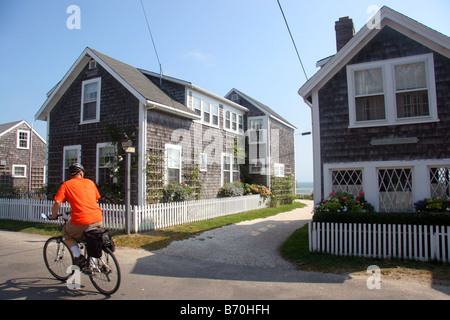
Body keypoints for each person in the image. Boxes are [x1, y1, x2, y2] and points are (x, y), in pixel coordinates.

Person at [51, 163, 103, 267]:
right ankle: (92, 264)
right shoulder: (90, 182)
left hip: (81, 220)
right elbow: (94, 200)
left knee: (66, 235)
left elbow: (57, 202)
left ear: (70, 175)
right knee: (90, 239)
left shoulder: (66, 185)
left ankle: (79, 257)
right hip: (98, 218)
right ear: (81, 173)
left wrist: (53, 216)